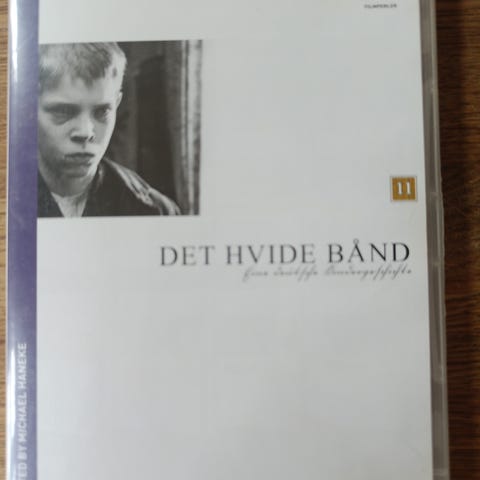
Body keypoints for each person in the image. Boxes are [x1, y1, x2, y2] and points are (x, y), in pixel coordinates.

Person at [38, 43, 180, 217]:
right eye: (63, 111)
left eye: (102, 112)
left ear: (117, 104)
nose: (86, 132)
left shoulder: (158, 211)